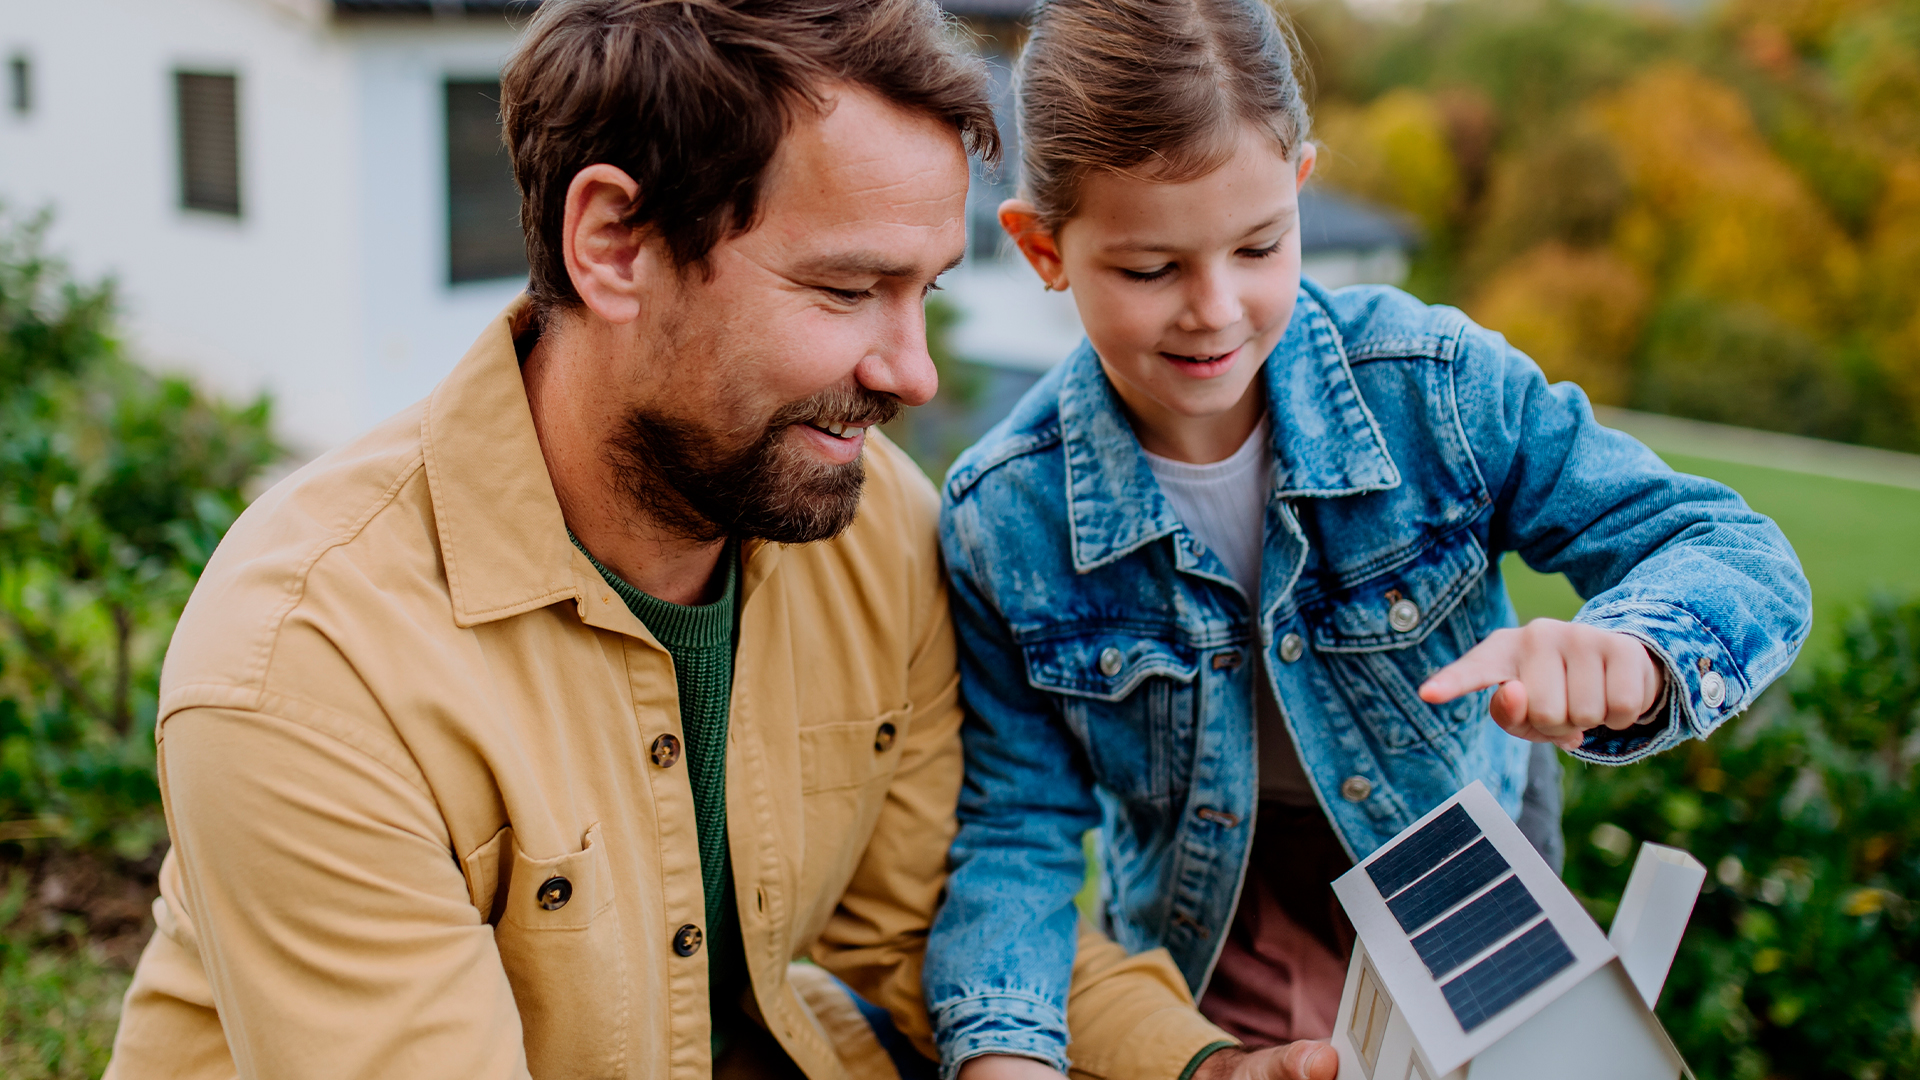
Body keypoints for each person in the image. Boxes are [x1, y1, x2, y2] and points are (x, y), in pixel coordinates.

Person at [101, 1, 1254, 1077]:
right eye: (847, 289)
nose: (914, 373)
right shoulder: (309, 663)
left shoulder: (873, 530)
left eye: (927, 291)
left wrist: (1203, 1065)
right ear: (615, 243)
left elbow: (930, 922)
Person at [922, 0, 1811, 1076]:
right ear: (1042, 247)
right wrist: (1005, 1049)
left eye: (1260, 246)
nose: (1215, 309)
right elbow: (1016, 831)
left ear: (1299, 187)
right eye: (1151, 270)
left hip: (1473, 928)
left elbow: (1731, 548)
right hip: (1210, 966)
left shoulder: (1435, 390)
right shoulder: (1005, 516)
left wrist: (1637, 651)